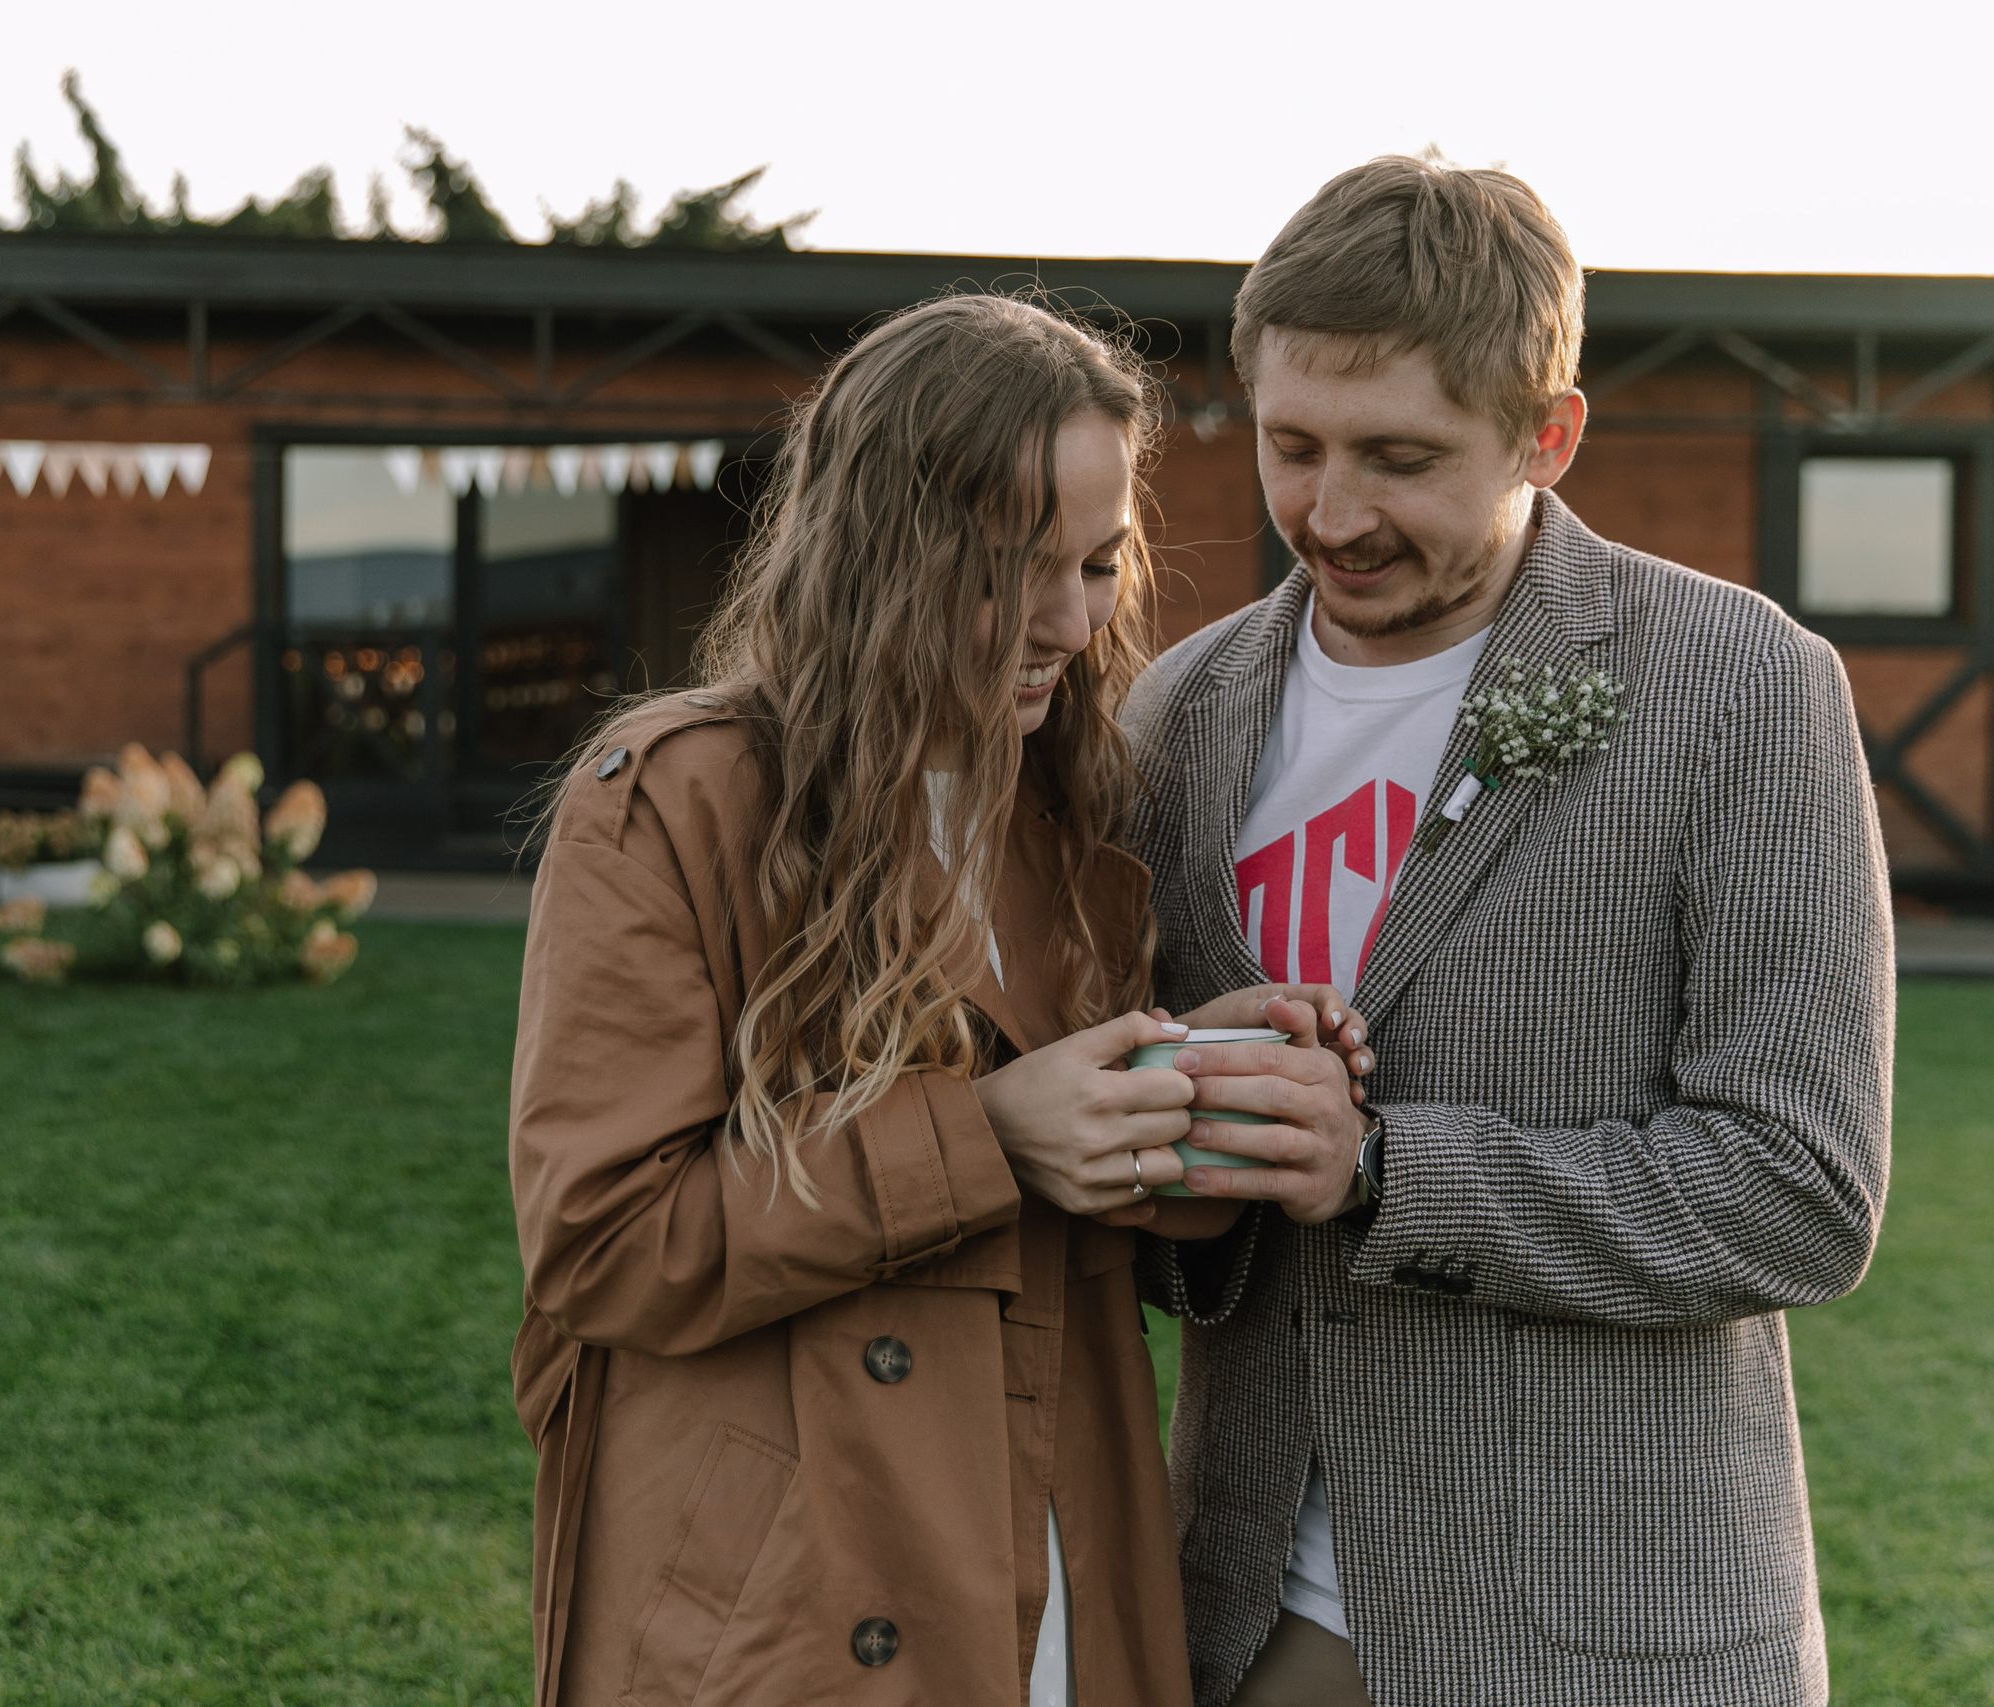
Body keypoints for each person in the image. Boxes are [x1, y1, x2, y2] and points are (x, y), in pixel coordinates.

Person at [1117, 157, 1896, 1705]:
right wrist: (1174, 1156)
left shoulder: (1745, 690)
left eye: (1400, 458)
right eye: (1291, 445)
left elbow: (1803, 1192)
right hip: (1249, 1622)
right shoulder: (1175, 714)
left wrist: (1383, 1172)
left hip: (1607, 1635)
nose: (1331, 514)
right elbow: (1153, 1234)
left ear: (1549, 435)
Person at [508, 294, 1350, 1707]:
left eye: (1098, 564)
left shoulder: (1078, 810)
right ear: (882, 549)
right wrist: (990, 1134)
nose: (1071, 623)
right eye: (1014, 569)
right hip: (791, 1595)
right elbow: (607, 1244)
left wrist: (1202, 1094)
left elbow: (1099, 1231)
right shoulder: (676, 803)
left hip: (1056, 1562)